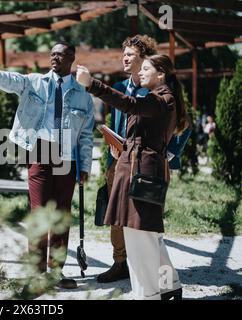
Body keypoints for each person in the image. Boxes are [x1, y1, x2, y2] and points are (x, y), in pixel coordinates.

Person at [0, 42, 94, 289]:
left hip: (68, 156)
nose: (54, 58)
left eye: (60, 54)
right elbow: (8, 79)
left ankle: (55, 272)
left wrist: (85, 166)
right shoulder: (34, 81)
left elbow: (85, 133)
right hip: (40, 151)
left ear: (71, 58)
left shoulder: (82, 93)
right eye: (51, 54)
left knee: (61, 217)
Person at [77, 54, 188, 300]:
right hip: (137, 169)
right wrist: (123, 146)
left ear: (161, 74)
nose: (140, 72)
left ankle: (147, 295)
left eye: (146, 68)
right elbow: (143, 135)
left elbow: (130, 104)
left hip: (142, 174)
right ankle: (170, 285)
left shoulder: (161, 99)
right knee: (146, 235)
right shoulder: (160, 98)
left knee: (139, 238)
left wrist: (92, 84)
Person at [98, 35, 191, 283]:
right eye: (124, 54)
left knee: (144, 225)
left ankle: (158, 280)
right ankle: (121, 264)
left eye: (130, 55)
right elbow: (120, 120)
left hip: (147, 164)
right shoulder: (118, 87)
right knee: (120, 221)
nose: (124, 58)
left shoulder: (155, 91)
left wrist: (168, 152)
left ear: (144, 59)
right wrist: (113, 145)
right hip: (118, 161)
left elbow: (184, 121)